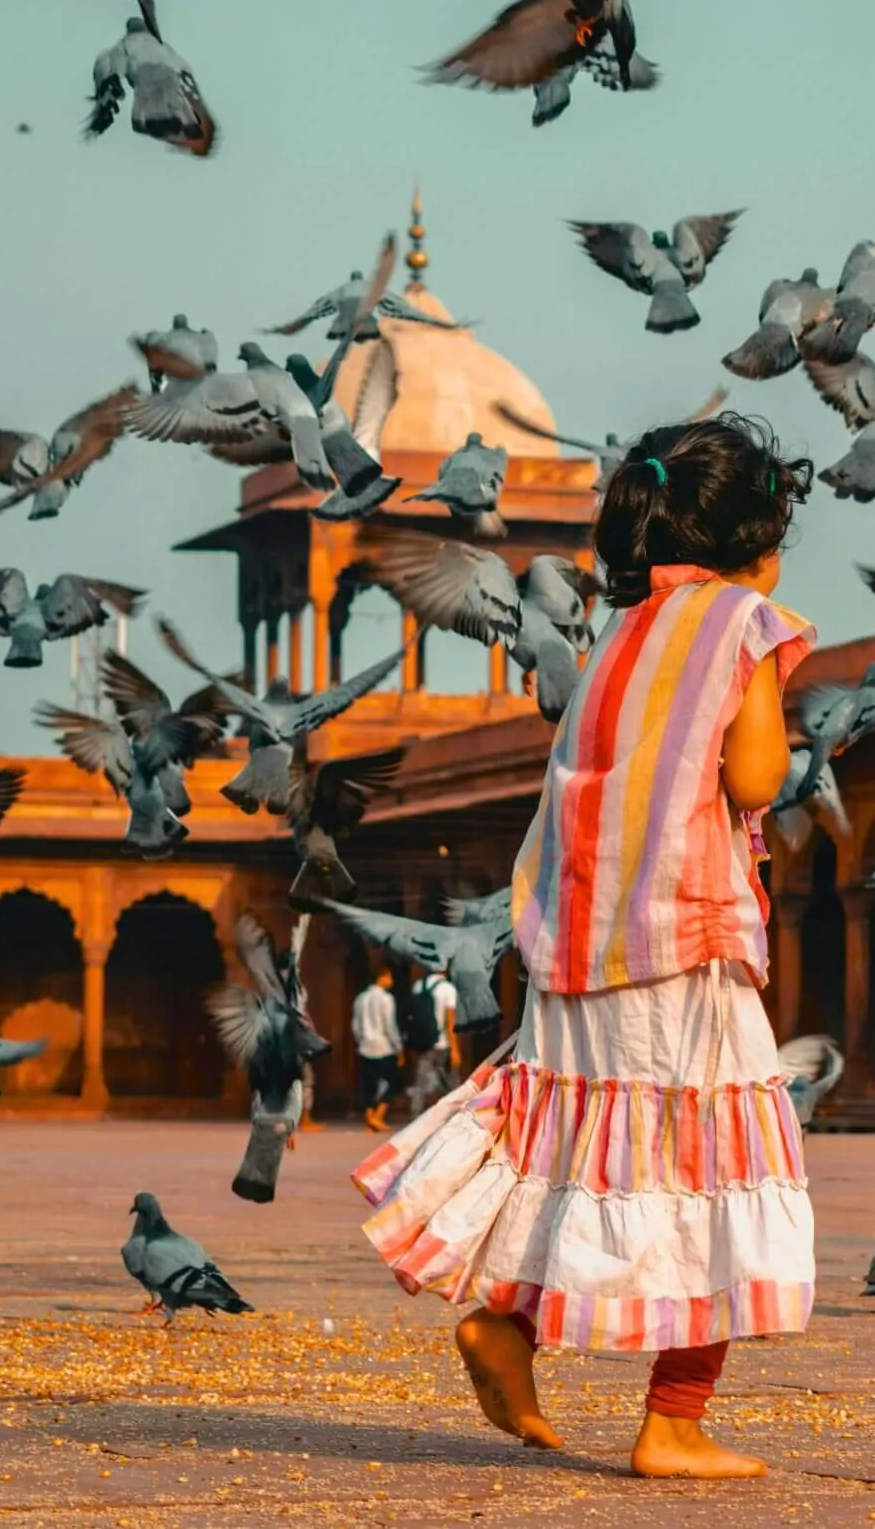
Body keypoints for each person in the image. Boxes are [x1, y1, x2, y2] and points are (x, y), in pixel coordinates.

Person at [354, 413, 816, 1481]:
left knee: (590, 1158)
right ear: (758, 538)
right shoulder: (741, 622)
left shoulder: (617, 637)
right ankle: (674, 1420)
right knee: (714, 1170)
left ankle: (508, 1327)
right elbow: (756, 778)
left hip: (577, 944)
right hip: (681, 944)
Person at [352, 963, 403, 1133]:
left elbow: (356, 1025)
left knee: (369, 1084)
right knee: (394, 1082)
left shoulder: (361, 998)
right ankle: (378, 1116)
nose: (391, 980)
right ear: (381, 978)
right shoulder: (386, 999)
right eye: (389, 976)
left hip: (365, 1046)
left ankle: (369, 1117)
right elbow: (390, 1026)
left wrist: (360, 1041)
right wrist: (398, 1047)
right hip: (383, 1046)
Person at [403, 970, 460, 1114]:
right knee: (450, 1082)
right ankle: (456, 1113)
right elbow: (450, 1021)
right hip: (442, 1042)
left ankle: (416, 1114)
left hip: (424, 1042)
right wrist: (455, 1049)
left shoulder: (419, 986)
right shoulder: (448, 989)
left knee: (420, 1081)